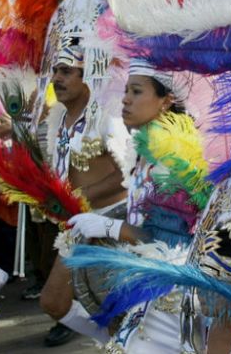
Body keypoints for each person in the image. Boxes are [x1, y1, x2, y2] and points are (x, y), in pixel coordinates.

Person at [67, 59, 209, 352]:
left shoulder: (173, 156)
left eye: (137, 91)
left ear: (166, 101)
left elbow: (171, 244)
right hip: (147, 283)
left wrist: (110, 226)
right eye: (126, 90)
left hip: (170, 293)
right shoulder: (145, 149)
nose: (125, 99)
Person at [39, 41, 129, 347]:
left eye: (66, 71)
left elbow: (130, 174)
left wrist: (80, 195)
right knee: (53, 302)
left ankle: (122, 342)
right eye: (55, 71)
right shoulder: (56, 121)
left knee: (121, 311)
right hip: (77, 227)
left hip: (113, 227)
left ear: (87, 74)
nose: (56, 78)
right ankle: (114, 341)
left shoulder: (108, 117)